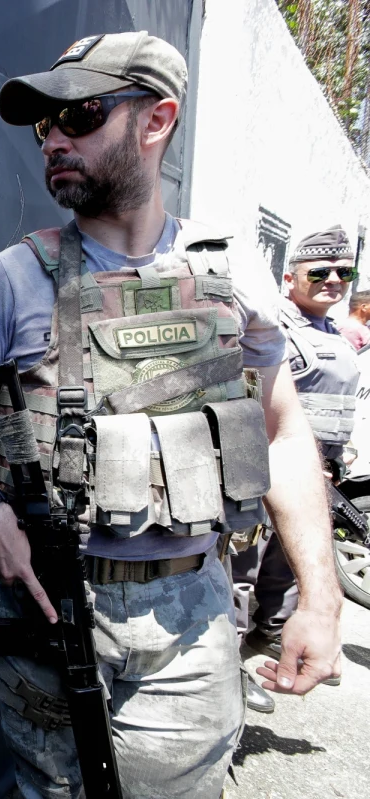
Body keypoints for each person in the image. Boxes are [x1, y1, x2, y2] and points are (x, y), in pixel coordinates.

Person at [0, 32, 341, 798]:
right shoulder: (14, 277)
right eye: (44, 125)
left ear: (156, 121)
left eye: (78, 114)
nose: (52, 140)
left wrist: (320, 595)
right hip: (47, 604)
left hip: (189, 617)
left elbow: (280, 432)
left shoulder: (231, 271)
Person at [232, 226, 358, 712]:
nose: (332, 280)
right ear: (290, 278)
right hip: (269, 472)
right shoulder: (272, 328)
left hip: (319, 476)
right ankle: (231, 671)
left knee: (289, 576)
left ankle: (279, 644)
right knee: (244, 573)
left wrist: (334, 460)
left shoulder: (337, 335)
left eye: (343, 272)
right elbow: (258, 409)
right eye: (319, 272)